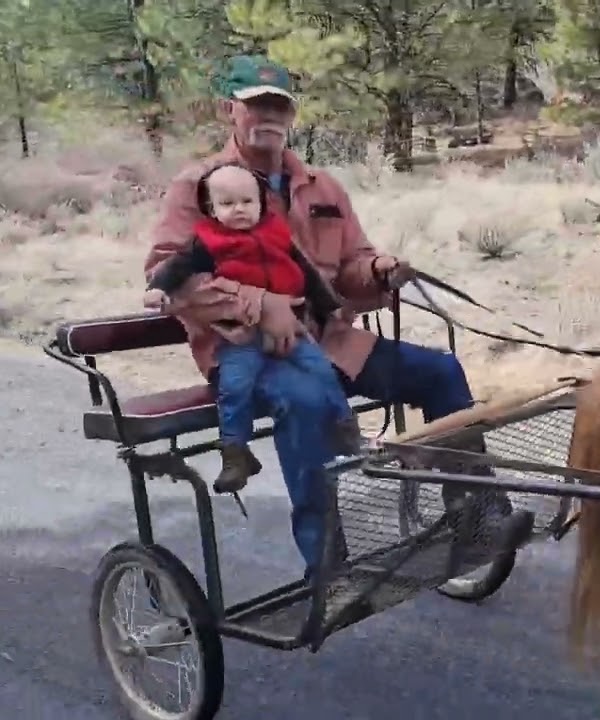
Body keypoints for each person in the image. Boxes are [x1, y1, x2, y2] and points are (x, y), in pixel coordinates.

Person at [145, 54, 534, 579]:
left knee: (440, 371)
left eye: (279, 107)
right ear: (227, 110)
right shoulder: (199, 186)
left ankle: (479, 516)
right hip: (251, 354)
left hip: (330, 343)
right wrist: (260, 305)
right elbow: (169, 275)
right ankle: (328, 564)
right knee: (306, 404)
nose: (269, 117)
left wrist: (378, 271)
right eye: (256, 105)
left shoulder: (322, 187)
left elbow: (351, 265)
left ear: (292, 115)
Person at [144, 162, 363, 495]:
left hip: (291, 328)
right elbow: (177, 268)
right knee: (234, 387)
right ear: (211, 209)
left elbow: (306, 274)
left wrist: (330, 305)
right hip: (241, 335)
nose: (239, 209)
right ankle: (235, 453)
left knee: (321, 369)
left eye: (247, 201)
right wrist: (159, 288)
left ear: (261, 203)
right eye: (227, 203)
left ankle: (344, 426)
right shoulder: (207, 242)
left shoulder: (277, 234)